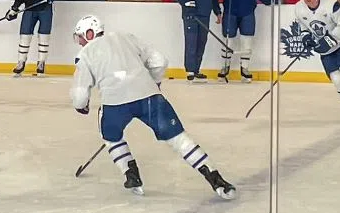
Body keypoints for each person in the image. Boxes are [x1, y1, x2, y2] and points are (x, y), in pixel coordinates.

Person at [69, 15, 236, 199]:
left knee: (111, 136)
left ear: (89, 34)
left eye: (81, 37)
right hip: (149, 97)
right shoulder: (126, 37)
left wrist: (82, 107)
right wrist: (153, 83)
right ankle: (216, 179)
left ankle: (131, 174)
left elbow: (79, 94)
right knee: (179, 139)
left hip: (115, 104)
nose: (81, 42)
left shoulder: (85, 54)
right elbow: (159, 61)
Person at [296, 0, 340, 121]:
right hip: (326, 51)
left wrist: (330, 40)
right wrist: (306, 37)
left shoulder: (331, 4)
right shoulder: (299, 8)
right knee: (337, 79)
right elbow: (302, 26)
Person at [217, 0, 274, 82]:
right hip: (231, 11)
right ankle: (225, 68)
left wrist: (268, 0)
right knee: (228, 40)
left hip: (247, 11)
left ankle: (245, 68)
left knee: (247, 40)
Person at [175, 0, 222, 83]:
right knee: (191, 42)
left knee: (201, 42)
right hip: (191, 15)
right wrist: (185, 2)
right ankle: (190, 70)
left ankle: (196, 69)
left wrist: (217, 12)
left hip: (204, 15)